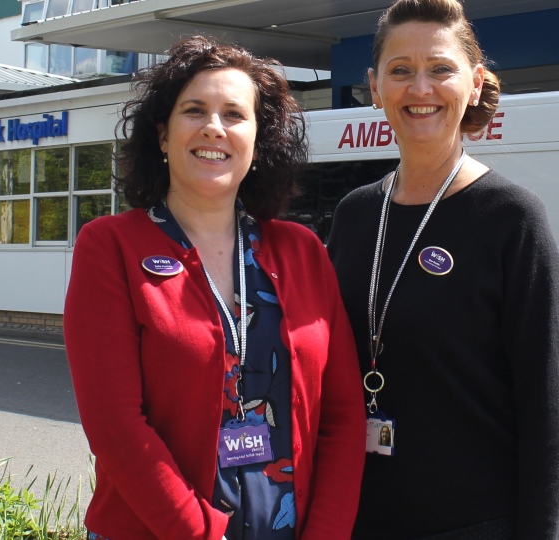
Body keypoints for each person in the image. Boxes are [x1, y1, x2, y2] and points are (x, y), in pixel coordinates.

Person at [63, 36, 365, 540]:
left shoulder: (303, 251)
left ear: (257, 139)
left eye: (234, 114)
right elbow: (116, 426)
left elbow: (343, 416)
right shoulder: (111, 247)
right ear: (162, 136)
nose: (214, 127)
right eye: (195, 110)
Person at [327, 0, 559, 539]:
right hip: (358, 520)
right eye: (400, 70)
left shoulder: (512, 218)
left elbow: (550, 412)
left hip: (476, 525)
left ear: (475, 83)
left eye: (441, 68)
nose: (420, 88)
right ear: (374, 87)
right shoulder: (354, 215)